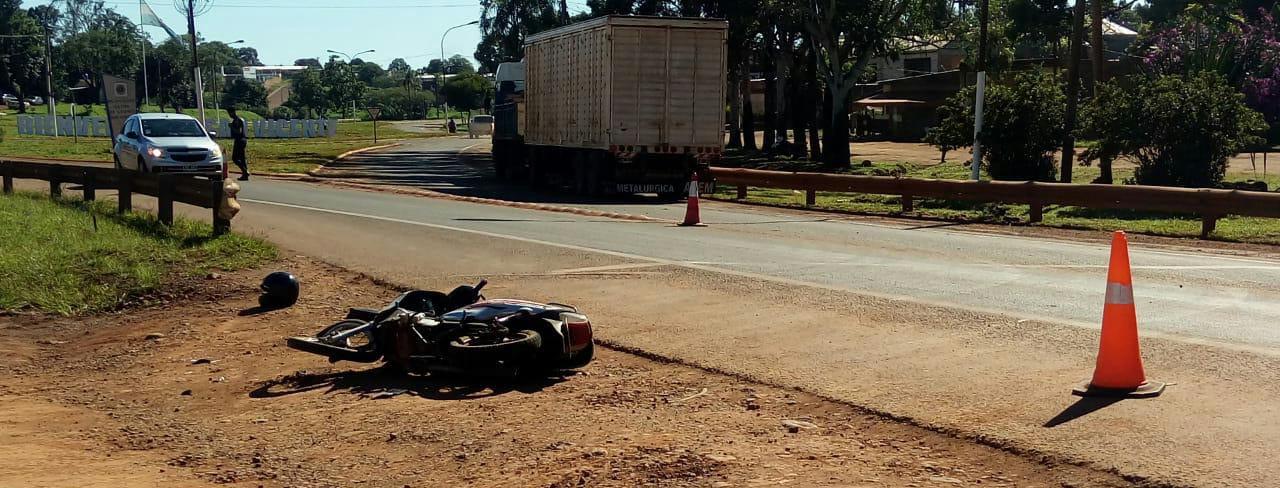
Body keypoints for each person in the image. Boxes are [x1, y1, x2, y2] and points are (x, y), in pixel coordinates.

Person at [227, 107, 249, 181]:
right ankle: (245, 175)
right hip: (242, 140)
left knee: (235, 158)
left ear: (232, 112)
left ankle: (245, 171)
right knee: (242, 158)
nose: (229, 115)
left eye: (229, 113)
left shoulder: (237, 120)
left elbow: (239, 131)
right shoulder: (239, 120)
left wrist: (231, 127)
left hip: (239, 140)